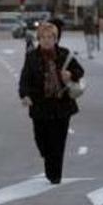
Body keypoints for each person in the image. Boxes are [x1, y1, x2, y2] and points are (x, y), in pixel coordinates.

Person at [18, 22, 84, 185]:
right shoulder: (32, 57)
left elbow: (80, 71)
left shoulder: (64, 54)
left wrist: (70, 74)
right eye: (43, 37)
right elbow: (24, 79)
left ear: (56, 39)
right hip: (40, 105)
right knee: (41, 140)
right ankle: (47, 156)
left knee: (58, 142)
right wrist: (24, 95)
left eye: (50, 37)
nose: (47, 40)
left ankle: (55, 176)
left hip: (62, 105)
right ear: (39, 39)